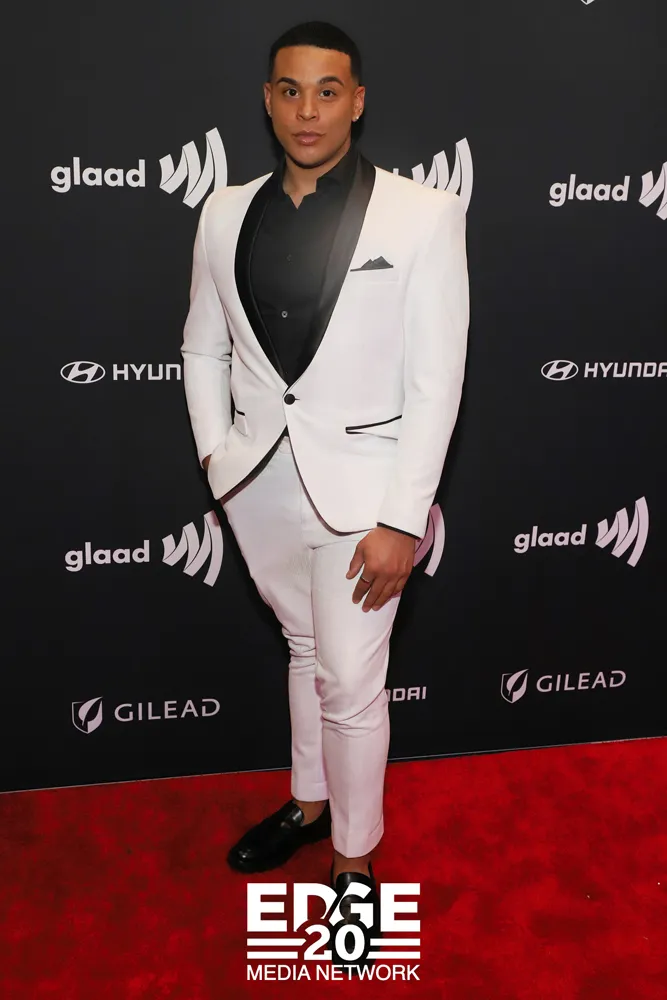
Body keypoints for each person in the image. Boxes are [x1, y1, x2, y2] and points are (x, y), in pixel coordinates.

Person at [181, 19, 469, 964]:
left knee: (349, 681)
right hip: (256, 484)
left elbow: (436, 381)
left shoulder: (422, 215)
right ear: (267, 101)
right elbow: (202, 346)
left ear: (358, 101)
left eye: (328, 90)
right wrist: (217, 458)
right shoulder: (222, 212)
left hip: (365, 500)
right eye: (290, 90)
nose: (308, 110)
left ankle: (354, 860)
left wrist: (400, 519)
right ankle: (308, 806)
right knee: (303, 649)